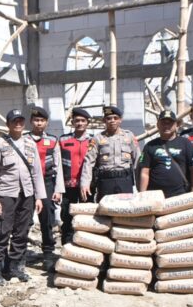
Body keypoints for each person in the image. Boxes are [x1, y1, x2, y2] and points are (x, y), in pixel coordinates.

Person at [0, 109, 45, 286]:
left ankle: (15, 268)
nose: (18, 124)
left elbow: (37, 172)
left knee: (21, 232)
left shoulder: (30, 144)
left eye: (20, 121)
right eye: (14, 121)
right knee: (1, 232)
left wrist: (39, 197)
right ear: (8, 124)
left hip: (27, 194)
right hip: (6, 194)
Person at [26, 106, 65, 271]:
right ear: (31, 121)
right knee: (24, 219)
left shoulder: (53, 141)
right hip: (27, 183)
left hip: (47, 182)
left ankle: (48, 253)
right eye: (36, 120)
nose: (39, 123)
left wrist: (58, 189)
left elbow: (58, 166)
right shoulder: (24, 139)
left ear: (46, 123)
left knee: (47, 219)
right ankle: (19, 254)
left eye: (42, 120)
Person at [80, 106, 140, 201]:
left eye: (115, 118)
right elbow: (88, 161)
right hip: (105, 181)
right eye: (109, 118)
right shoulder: (98, 138)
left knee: (125, 207)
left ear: (120, 120)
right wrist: (85, 183)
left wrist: (140, 184)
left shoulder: (129, 136)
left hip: (125, 180)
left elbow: (137, 160)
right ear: (104, 120)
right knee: (105, 207)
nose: (112, 121)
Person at [139, 109, 193, 198]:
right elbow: (145, 172)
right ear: (158, 125)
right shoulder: (150, 145)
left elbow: (192, 169)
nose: (166, 126)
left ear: (176, 125)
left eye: (170, 123)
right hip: (155, 195)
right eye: (163, 123)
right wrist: (142, 195)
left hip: (180, 194)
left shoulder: (185, 143)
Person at [58, 107, 93, 245]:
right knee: (67, 216)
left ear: (87, 123)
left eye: (83, 121)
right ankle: (67, 246)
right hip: (69, 186)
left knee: (87, 217)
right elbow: (58, 163)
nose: (80, 123)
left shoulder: (93, 140)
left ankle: (85, 246)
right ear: (72, 122)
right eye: (77, 120)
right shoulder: (63, 140)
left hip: (88, 186)